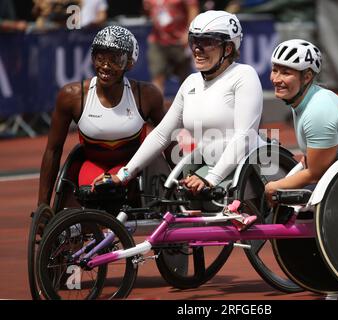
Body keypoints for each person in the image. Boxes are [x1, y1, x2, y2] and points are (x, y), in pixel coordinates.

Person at [93, 10, 263, 229]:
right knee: (172, 191)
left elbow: (244, 136)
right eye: (194, 41)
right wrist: (123, 174)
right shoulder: (191, 82)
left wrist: (210, 178)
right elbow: (162, 134)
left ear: (228, 48)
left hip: (249, 167)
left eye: (207, 42)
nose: (197, 49)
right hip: (208, 164)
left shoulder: (243, 76)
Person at [38, 25, 169, 207]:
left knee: (113, 191)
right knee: (94, 193)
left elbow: (167, 138)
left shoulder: (146, 95)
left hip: (132, 169)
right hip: (92, 165)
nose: (106, 66)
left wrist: (183, 180)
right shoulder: (72, 96)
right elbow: (53, 150)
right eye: (100, 57)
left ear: (130, 62)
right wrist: (42, 205)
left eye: (115, 59)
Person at [264, 39, 338, 201]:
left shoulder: (318, 111)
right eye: (275, 70)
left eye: (285, 73)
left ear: (306, 77)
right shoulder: (304, 98)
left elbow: (315, 174)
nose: (276, 79)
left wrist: (273, 187)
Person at [142, 0, 199, 95]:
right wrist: (147, 9)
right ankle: (157, 107)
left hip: (180, 41)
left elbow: (193, 9)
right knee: (157, 75)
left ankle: (187, 105)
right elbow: (148, 12)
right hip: (157, 40)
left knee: (184, 77)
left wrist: (189, 32)